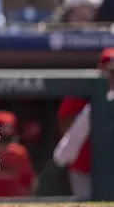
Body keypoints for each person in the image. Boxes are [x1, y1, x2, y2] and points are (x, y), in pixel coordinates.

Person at [52, 48, 114, 200]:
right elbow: (64, 127)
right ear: (101, 70)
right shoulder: (81, 92)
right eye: (110, 72)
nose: (112, 77)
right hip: (83, 166)